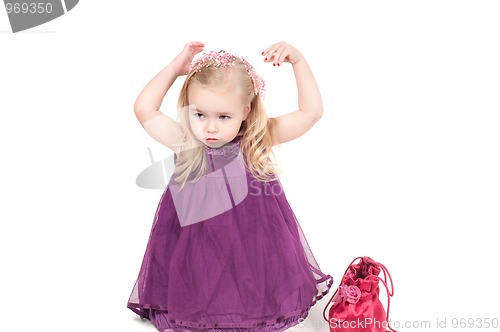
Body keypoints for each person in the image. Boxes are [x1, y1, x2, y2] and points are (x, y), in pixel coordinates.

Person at [127, 40, 333, 332]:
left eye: (224, 117)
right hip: (197, 241)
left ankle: (248, 306)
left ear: (246, 110)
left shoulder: (256, 139)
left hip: (251, 240)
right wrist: (175, 69)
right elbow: (144, 109)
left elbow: (310, 113)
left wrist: (298, 61)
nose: (210, 128)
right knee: (202, 272)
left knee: (247, 272)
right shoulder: (188, 142)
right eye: (200, 114)